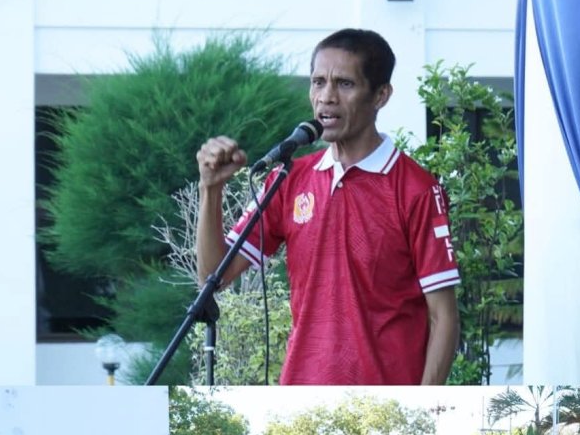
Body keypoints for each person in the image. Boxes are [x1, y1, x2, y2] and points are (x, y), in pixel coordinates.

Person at [195, 28, 460, 385]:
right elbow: (213, 274)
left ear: (381, 95)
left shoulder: (416, 189)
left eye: (345, 84)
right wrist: (210, 190)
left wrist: (428, 404)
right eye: (318, 82)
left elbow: (443, 317)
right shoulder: (290, 179)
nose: (326, 97)